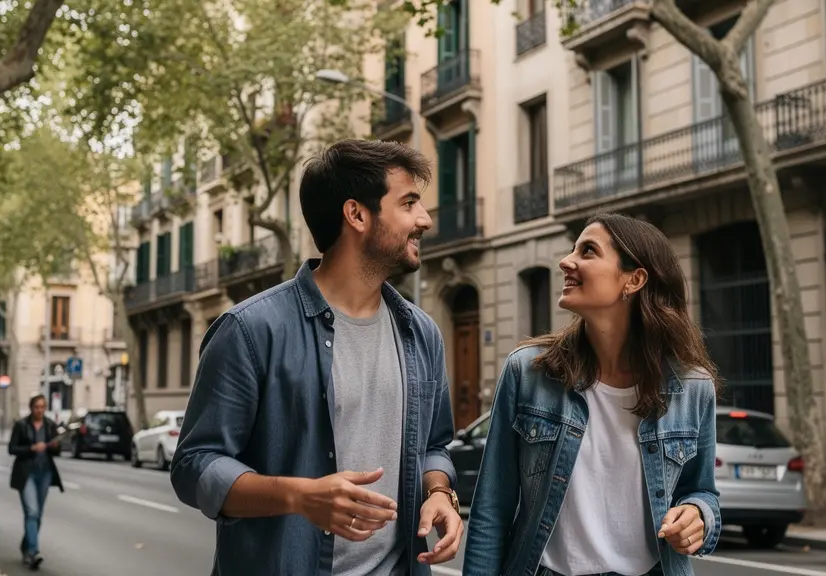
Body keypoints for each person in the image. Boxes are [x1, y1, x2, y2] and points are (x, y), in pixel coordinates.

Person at [171, 139, 464, 575]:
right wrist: (299, 496)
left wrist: (440, 492)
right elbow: (195, 466)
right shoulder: (250, 330)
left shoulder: (422, 333)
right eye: (409, 203)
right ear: (357, 215)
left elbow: (435, 445)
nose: (424, 219)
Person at [463, 213, 722, 576]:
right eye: (573, 249)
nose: (566, 261)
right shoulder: (528, 372)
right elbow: (492, 507)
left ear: (634, 279)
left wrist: (698, 516)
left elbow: (703, 492)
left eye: (587, 251)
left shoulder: (692, 388)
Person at [8, 394, 65, 569]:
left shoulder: (50, 425)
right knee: (32, 512)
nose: (40, 410)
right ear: (31, 408)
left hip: (45, 473)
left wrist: (55, 447)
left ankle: (26, 546)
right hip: (27, 474)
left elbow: (57, 452)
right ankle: (33, 552)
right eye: (37, 407)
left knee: (37, 514)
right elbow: (12, 448)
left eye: (42, 407)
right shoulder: (21, 425)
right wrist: (31, 448)